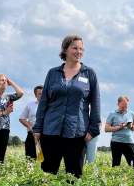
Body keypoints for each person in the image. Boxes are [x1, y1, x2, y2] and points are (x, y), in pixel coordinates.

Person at [33, 35, 100, 178]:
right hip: (51, 130)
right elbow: (44, 101)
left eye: (81, 49)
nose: (78, 51)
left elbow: (95, 103)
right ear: (65, 49)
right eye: (74, 48)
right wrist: (38, 127)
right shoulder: (53, 73)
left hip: (77, 132)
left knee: (74, 177)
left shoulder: (89, 74)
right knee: (48, 175)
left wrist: (93, 129)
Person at [105, 95, 134, 167]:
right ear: (118, 104)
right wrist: (119, 127)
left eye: (126, 106)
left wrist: (131, 127)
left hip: (128, 142)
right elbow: (106, 129)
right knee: (116, 165)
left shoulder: (131, 113)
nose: (124, 108)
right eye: (123, 107)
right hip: (116, 142)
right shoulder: (112, 114)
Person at [19, 85, 43, 159]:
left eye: (43, 93)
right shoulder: (30, 105)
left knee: (43, 160)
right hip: (32, 135)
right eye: (39, 94)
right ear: (35, 95)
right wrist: (29, 126)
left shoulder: (51, 106)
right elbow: (22, 118)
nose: (42, 95)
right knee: (31, 159)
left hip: (46, 135)